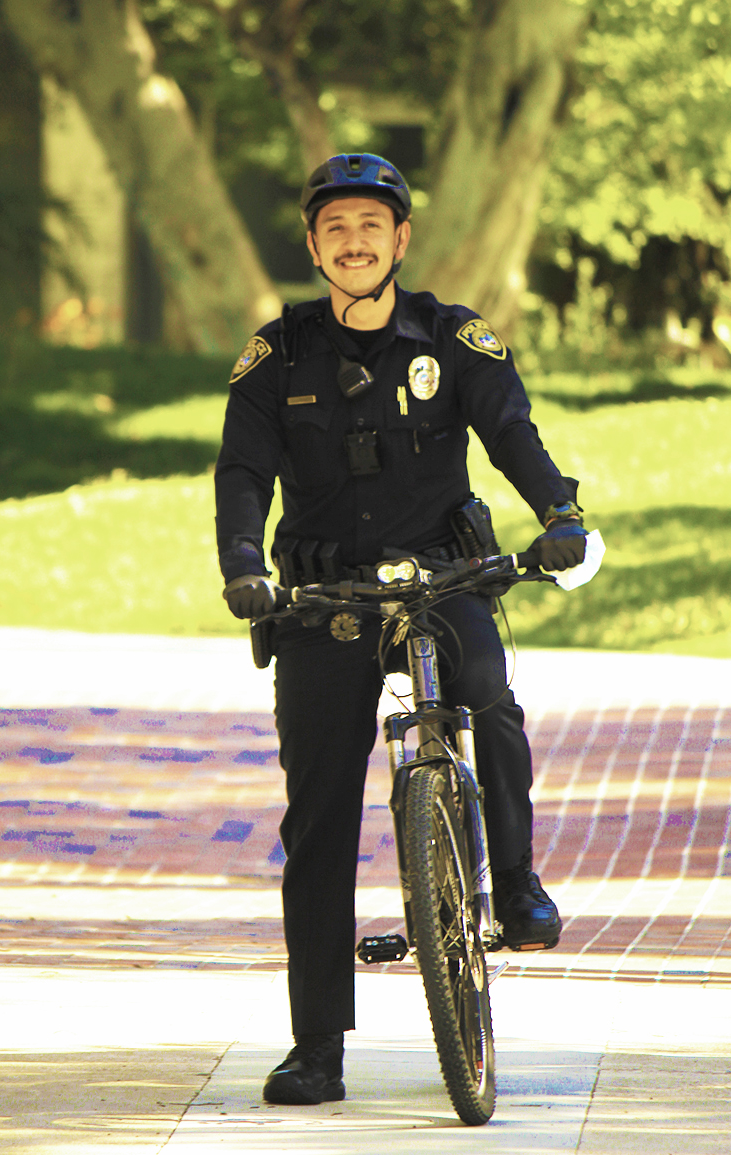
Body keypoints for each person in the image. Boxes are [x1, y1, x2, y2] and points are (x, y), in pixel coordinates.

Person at [214, 153, 586, 1106]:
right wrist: (244, 569)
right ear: (313, 245)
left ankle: (513, 881)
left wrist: (559, 512)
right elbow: (243, 473)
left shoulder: (455, 338)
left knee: (491, 701)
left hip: (441, 572)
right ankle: (317, 1047)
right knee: (320, 814)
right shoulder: (277, 356)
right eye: (334, 227)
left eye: (370, 226)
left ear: (400, 239)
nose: (353, 241)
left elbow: (510, 432)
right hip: (324, 596)